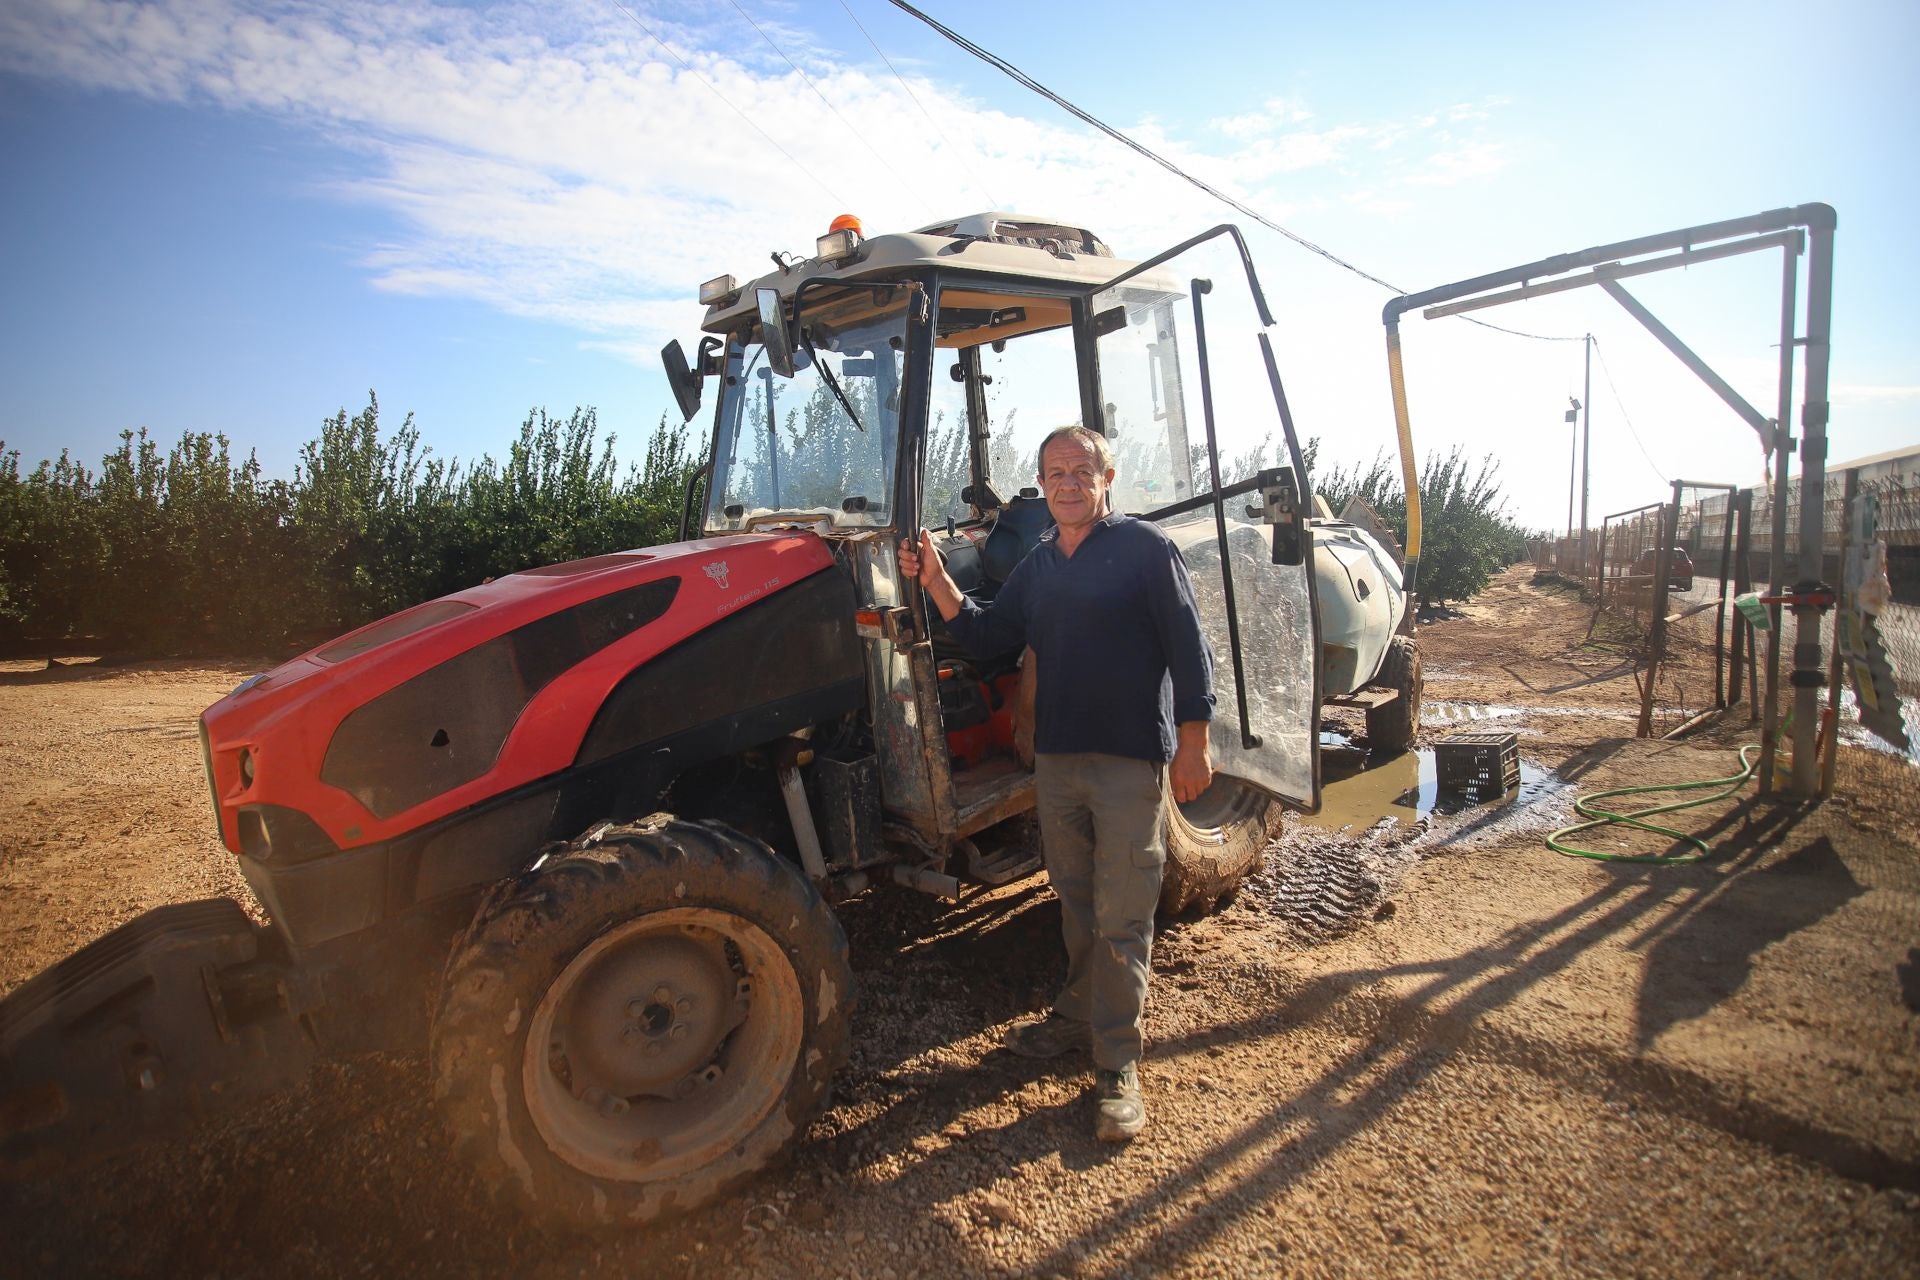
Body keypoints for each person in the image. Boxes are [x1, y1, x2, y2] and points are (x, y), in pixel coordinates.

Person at [896, 425, 1215, 1143]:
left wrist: (1194, 742)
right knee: (1074, 900)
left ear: (1107, 476)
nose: (1066, 484)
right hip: (1061, 763)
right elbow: (987, 638)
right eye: (1053, 473)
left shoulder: (1144, 550)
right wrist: (937, 579)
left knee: (1124, 911)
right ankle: (1078, 1014)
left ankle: (1117, 1067)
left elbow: (1190, 650)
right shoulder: (1040, 565)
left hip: (1130, 760)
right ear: (1041, 484)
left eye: (1080, 471)